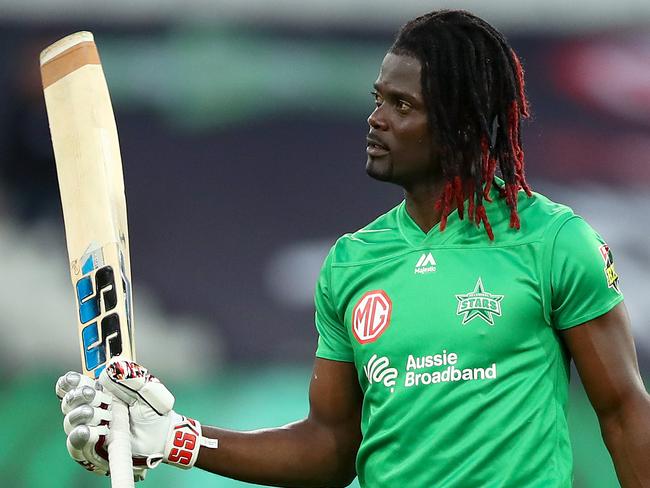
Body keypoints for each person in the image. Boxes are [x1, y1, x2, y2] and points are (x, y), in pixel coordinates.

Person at [56, 9, 650, 487]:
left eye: (402, 106)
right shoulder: (352, 263)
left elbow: (624, 411)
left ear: (461, 126)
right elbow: (329, 447)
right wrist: (175, 439)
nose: (375, 120)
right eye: (378, 99)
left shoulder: (553, 242)